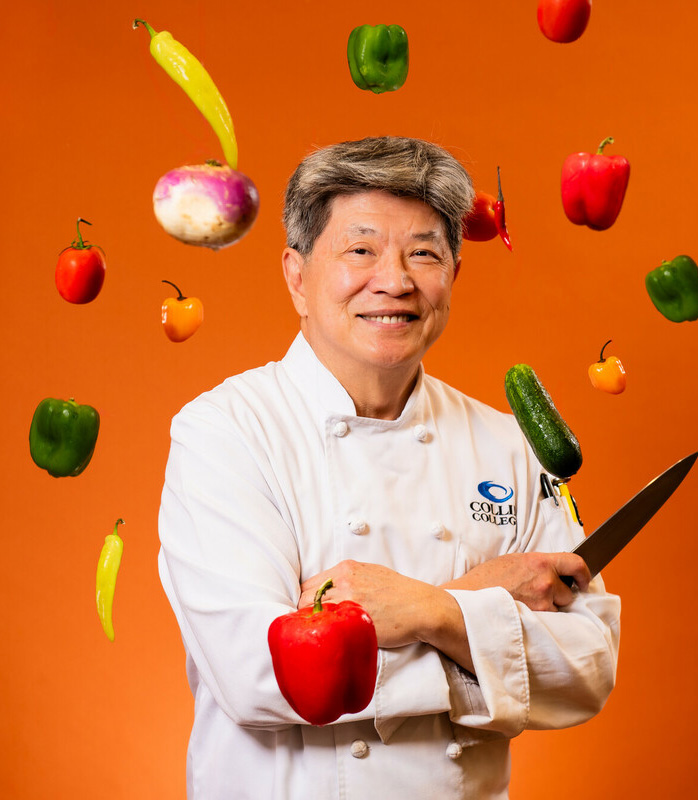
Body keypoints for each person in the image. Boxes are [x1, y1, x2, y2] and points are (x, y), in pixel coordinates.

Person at [158, 136, 621, 800]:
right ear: (296, 275)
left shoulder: (512, 446)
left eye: (425, 253)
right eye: (360, 249)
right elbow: (258, 673)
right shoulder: (225, 432)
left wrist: (432, 611)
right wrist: (480, 627)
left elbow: (587, 666)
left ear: (453, 276)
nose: (396, 280)